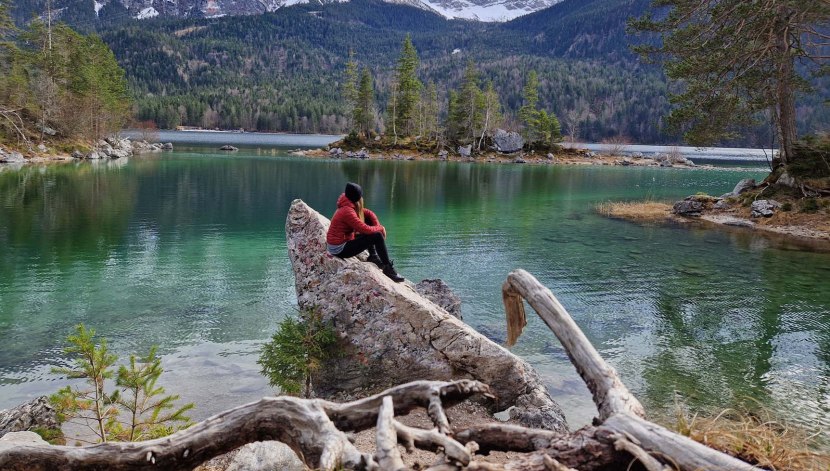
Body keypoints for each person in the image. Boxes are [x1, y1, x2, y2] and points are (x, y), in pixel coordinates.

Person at [326, 182, 405, 282]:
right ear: (357, 198)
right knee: (376, 236)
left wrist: (376, 224)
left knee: (369, 221)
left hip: (341, 242)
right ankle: (388, 268)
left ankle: (373, 256)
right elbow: (365, 229)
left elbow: (367, 213)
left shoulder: (346, 205)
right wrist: (380, 228)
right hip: (339, 249)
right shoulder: (347, 211)